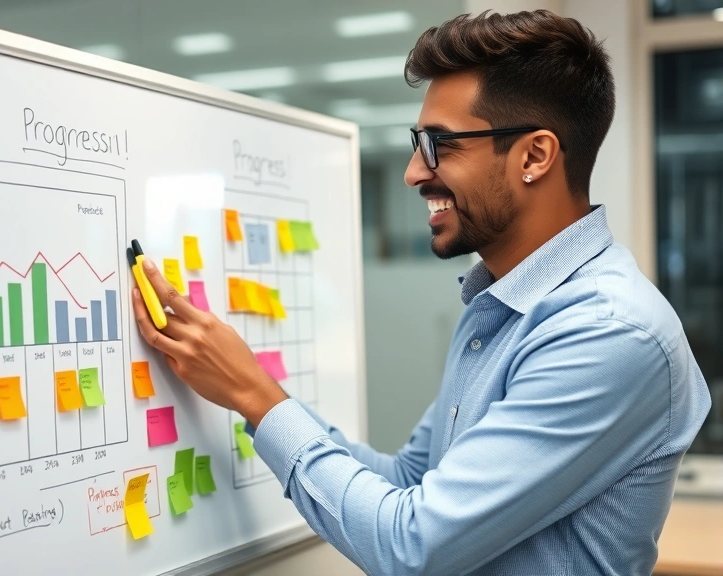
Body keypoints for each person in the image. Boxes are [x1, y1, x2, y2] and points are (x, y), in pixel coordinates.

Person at [130, 9, 711, 576]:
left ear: (535, 155)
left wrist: (255, 394)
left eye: (440, 144)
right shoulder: (502, 306)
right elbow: (410, 480)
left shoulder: (607, 332)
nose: (413, 171)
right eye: (417, 143)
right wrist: (247, 389)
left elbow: (413, 548)